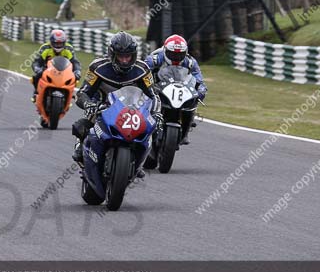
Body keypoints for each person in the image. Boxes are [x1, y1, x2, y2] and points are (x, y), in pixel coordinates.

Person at [71, 32, 161, 175]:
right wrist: (88, 104)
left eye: (128, 56)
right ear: (112, 54)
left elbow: (153, 95)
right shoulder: (97, 67)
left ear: (134, 55)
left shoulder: (143, 70)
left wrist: (156, 113)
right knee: (81, 126)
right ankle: (82, 148)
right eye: (121, 56)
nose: (124, 61)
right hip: (102, 106)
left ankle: (137, 162)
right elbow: (83, 92)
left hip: (132, 110)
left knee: (154, 129)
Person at [145, 34, 207, 144]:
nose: (176, 58)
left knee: (192, 102)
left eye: (179, 55)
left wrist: (201, 89)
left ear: (185, 53)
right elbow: (143, 72)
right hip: (158, 87)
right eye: (172, 54)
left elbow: (198, 78)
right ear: (165, 51)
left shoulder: (190, 62)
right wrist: (148, 86)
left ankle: (185, 131)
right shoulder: (155, 58)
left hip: (180, 88)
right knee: (147, 102)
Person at [31, 29, 82, 102]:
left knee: (75, 78)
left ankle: (70, 94)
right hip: (47, 70)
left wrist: (77, 71)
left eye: (60, 43)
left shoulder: (69, 48)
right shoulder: (45, 48)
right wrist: (37, 68)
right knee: (36, 76)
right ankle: (36, 92)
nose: (58, 46)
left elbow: (75, 62)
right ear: (51, 42)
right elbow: (37, 61)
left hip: (64, 71)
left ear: (64, 42)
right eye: (56, 43)